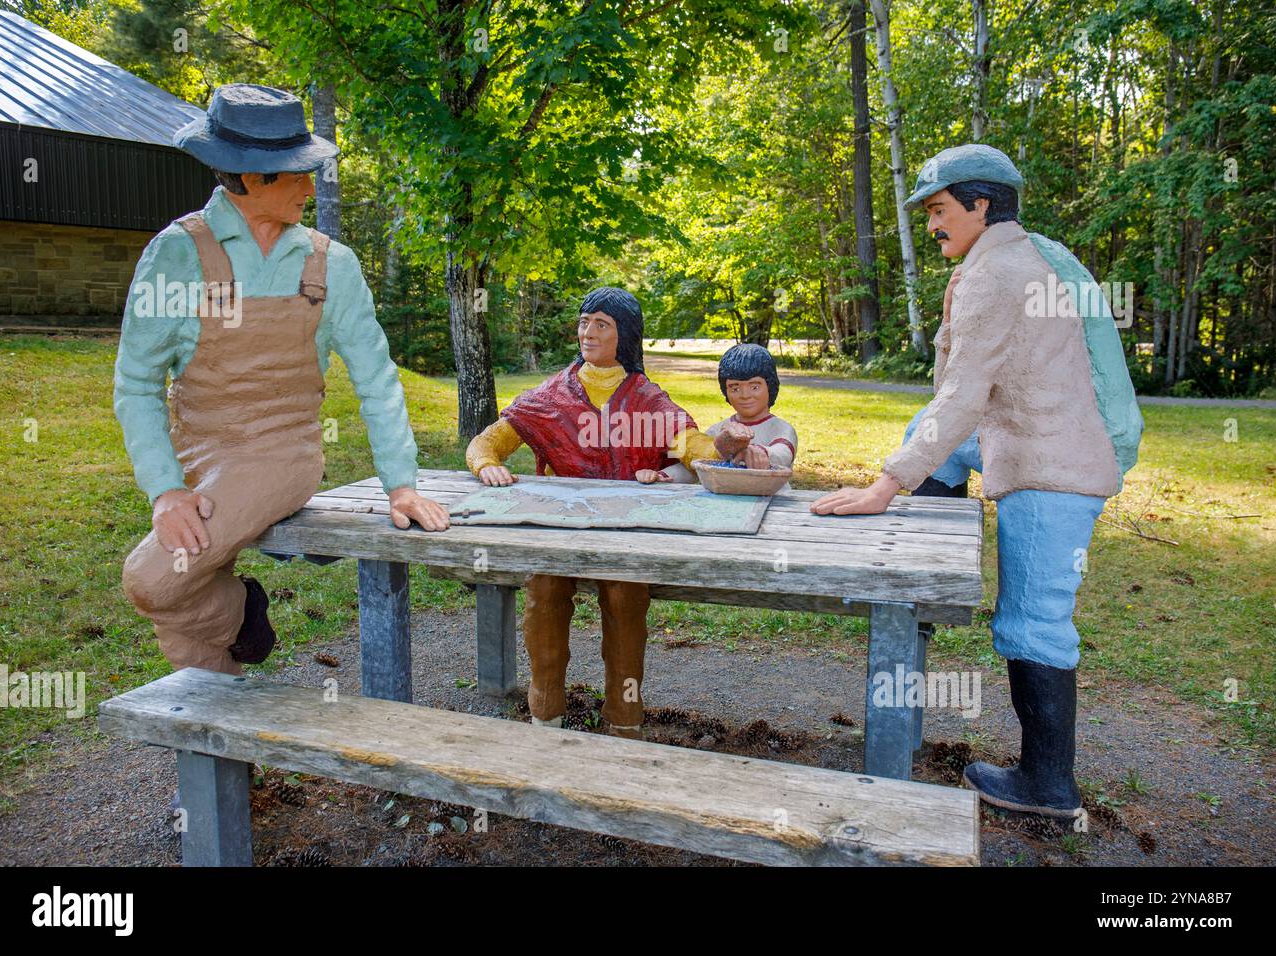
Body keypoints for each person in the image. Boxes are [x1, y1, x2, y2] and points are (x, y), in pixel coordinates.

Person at [811, 144, 1143, 821]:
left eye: (938, 209)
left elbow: (963, 392)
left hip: (1056, 464)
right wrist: (920, 461)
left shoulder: (999, 274)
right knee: (927, 440)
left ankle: (1048, 787)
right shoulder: (1027, 255)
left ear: (979, 204)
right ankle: (918, 597)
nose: (931, 224)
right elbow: (955, 406)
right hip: (1024, 429)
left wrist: (885, 487)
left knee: (1035, 622)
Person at [116, 84, 449, 678]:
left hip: (281, 455)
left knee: (151, 579)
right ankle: (224, 751)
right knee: (182, 606)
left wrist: (401, 483)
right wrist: (166, 489)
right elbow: (137, 383)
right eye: (292, 174)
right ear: (245, 176)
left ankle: (242, 615)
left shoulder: (331, 265)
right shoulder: (176, 254)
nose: (308, 186)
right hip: (197, 454)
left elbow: (377, 379)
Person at [465, 287, 751, 738]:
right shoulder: (552, 395)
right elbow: (487, 441)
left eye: (602, 324)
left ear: (626, 336)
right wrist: (487, 465)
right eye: (584, 322)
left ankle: (624, 716)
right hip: (561, 528)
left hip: (625, 532)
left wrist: (721, 450)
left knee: (625, 597)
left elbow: (689, 442)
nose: (588, 332)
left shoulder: (645, 397)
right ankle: (545, 710)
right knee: (544, 590)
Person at [639, 342, 798, 491]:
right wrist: (663, 476)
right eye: (735, 388)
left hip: (772, 502)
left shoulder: (780, 428)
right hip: (726, 503)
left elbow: (782, 454)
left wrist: (758, 453)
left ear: (770, 386)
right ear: (725, 391)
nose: (745, 395)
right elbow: (696, 466)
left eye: (755, 387)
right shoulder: (718, 431)